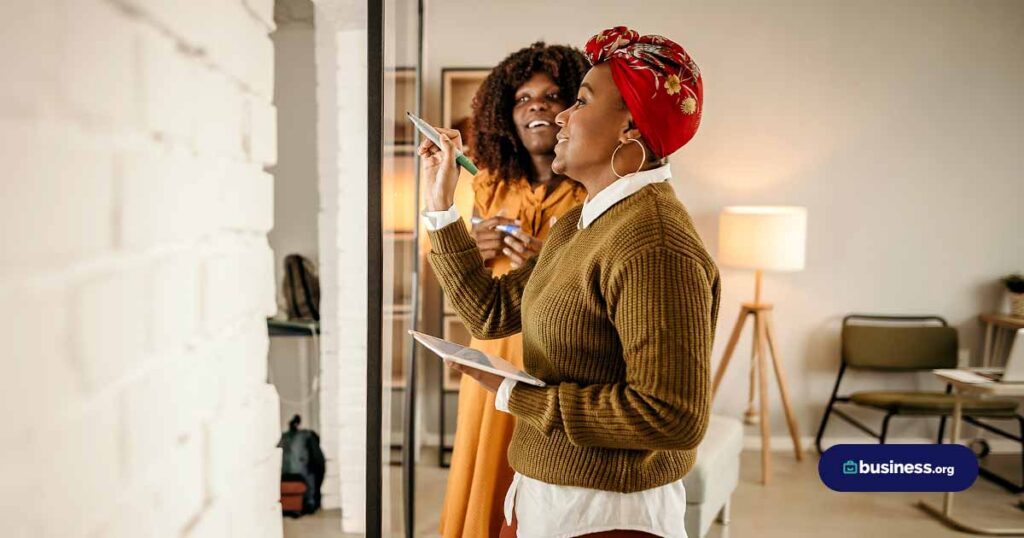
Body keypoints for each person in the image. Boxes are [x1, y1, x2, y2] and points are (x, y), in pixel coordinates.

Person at [420, 26, 719, 537]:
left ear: (630, 127)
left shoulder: (654, 242)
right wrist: (440, 207)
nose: (558, 115)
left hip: (607, 513)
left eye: (578, 100)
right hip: (550, 494)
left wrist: (516, 396)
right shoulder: (581, 223)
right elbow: (489, 315)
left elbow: (672, 416)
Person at [435, 43, 590, 538]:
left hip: (557, 354)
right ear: (508, 115)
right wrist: (471, 247)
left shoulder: (593, 188)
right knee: (487, 470)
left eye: (552, 95)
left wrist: (550, 257)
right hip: (493, 350)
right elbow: (447, 271)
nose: (537, 105)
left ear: (574, 108)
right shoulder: (487, 185)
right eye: (523, 98)